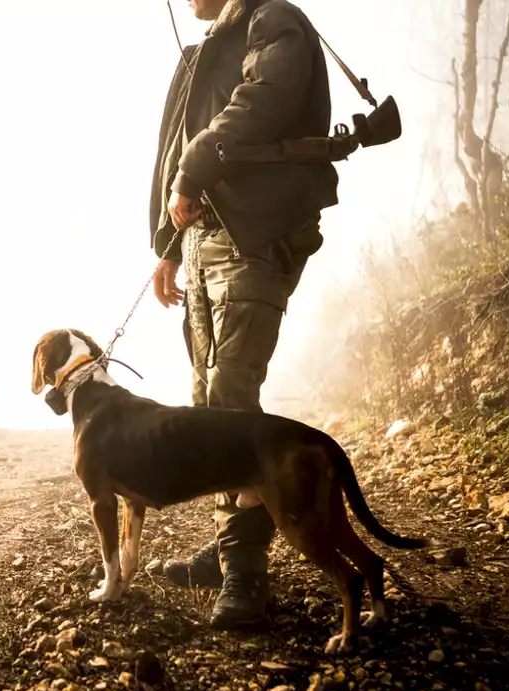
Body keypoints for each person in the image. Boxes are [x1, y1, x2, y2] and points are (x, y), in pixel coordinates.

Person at [147, 0, 339, 630]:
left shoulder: (274, 18)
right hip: (204, 246)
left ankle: (245, 572)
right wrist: (168, 246)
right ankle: (232, 541)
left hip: (255, 242)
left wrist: (194, 167)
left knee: (230, 396)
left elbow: (267, 97)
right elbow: (178, 153)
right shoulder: (209, 49)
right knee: (208, 402)